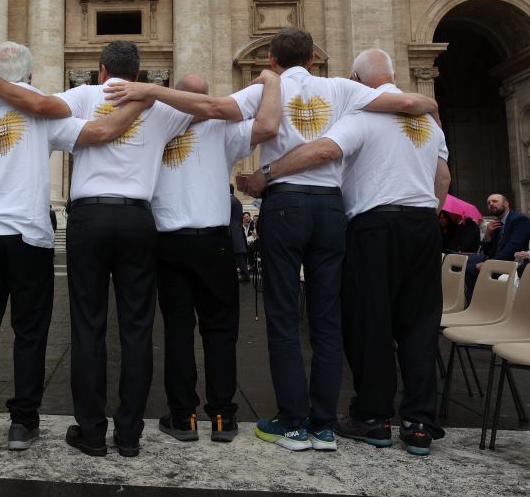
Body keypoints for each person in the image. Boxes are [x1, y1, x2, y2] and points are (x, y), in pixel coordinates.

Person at [106, 30, 439, 452]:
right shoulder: (340, 88)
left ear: (270, 58)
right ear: (314, 59)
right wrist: (431, 103)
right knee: (324, 319)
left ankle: (285, 421)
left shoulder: (258, 89)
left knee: (277, 319)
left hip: (278, 207)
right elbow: (404, 103)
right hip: (328, 207)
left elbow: (219, 108)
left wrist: (153, 90)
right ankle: (315, 423)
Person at [0, 40, 264, 458]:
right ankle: (129, 435)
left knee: (88, 326)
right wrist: (160, 93)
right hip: (138, 220)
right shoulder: (161, 108)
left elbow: (35, 104)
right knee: (137, 329)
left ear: (101, 69)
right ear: (140, 73)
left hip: (88, 218)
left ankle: (90, 431)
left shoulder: (84, 95)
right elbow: (220, 109)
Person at [245, 48, 451, 456]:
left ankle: (373, 417)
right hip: (424, 224)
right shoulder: (428, 121)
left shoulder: (362, 116)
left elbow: (322, 151)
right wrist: (430, 215)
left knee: (370, 321)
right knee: (421, 323)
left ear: (357, 81)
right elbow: (442, 174)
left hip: (374, 225)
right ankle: (419, 423)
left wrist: (266, 174)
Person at [0, 42, 150, 455]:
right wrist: (144, 100)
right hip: (30, 236)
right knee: (30, 333)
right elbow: (99, 132)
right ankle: (23, 423)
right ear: (27, 78)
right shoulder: (41, 116)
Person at [151, 74, 280, 444]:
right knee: (220, 332)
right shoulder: (223, 129)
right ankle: (223, 417)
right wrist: (271, 80)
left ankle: (183, 417)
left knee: (177, 332)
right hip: (213, 242)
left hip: (169, 241)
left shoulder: (157, 125)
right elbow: (269, 124)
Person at [463, 193, 530, 304]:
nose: (490, 204)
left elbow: (513, 248)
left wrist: (491, 263)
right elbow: (487, 251)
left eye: (494, 201)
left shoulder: (519, 219)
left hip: (513, 263)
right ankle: (477, 305)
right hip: (498, 261)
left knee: (471, 270)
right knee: (468, 267)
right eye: (488, 203)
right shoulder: (497, 223)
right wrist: (488, 236)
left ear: (506, 204)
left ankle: (477, 305)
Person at [229, 188, 250, 283]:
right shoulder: (236, 200)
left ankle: (245, 275)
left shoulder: (230, 201)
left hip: (233, 231)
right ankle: (244, 274)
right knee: (238, 256)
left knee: (238, 256)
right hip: (237, 230)